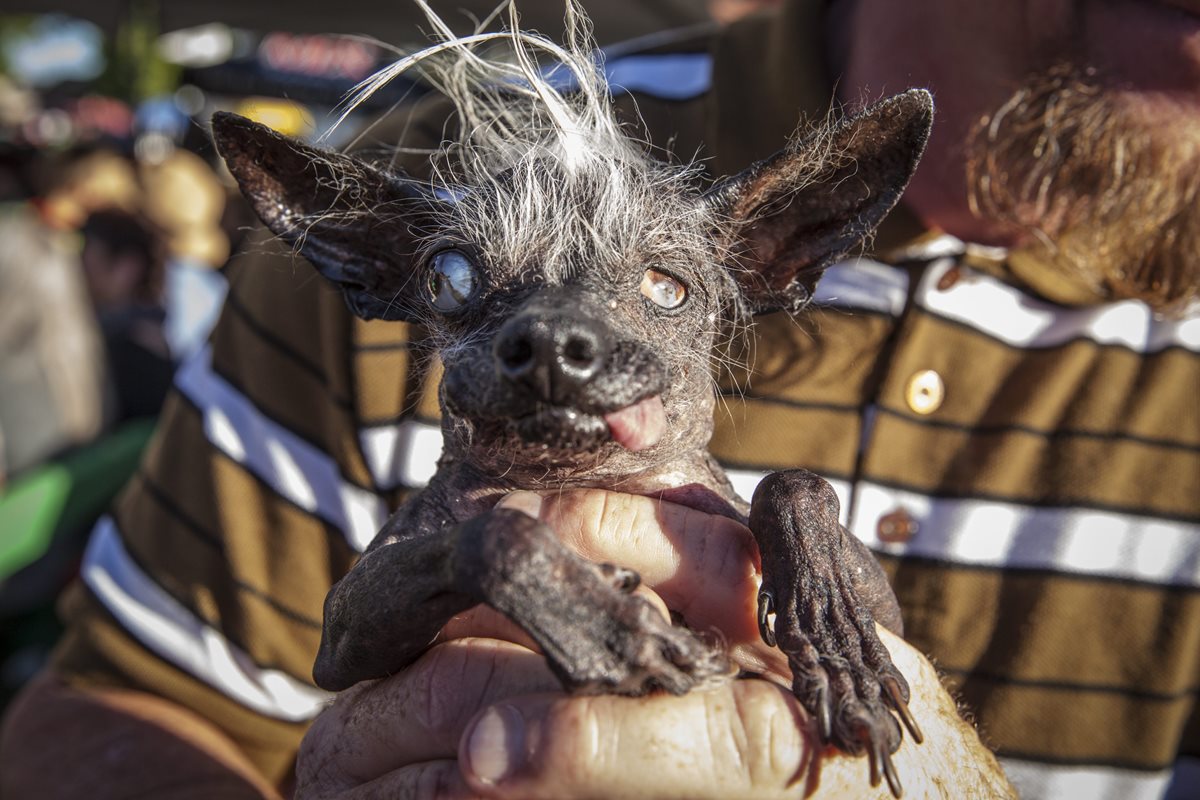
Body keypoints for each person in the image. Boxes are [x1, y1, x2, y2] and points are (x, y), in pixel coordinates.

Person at [3, 0, 1198, 797]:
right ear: (374, 271)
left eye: (665, 287)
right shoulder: (425, 154)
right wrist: (492, 555)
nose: (555, 341)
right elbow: (146, 698)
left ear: (782, 253)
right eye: (465, 283)